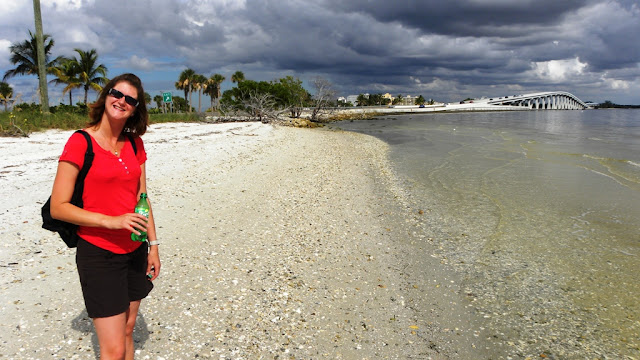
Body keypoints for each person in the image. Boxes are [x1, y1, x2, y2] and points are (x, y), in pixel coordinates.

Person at [49, 73, 161, 359]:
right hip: (99, 254)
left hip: (135, 250)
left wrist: (154, 246)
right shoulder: (80, 142)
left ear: (136, 108)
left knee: (128, 329)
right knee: (111, 350)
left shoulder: (136, 145)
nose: (121, 101)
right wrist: (111, 220)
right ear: (106, 96)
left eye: (130, 99)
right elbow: (58, 207)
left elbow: (142, 199)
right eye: (116, 93)